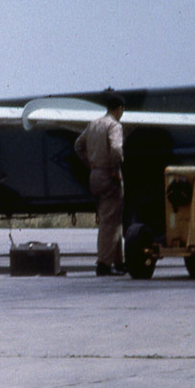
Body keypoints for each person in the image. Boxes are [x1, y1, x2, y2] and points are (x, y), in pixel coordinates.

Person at [75, 92, 126, 276]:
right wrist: (114, 169)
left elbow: (78, 145)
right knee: (109, 221)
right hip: (109, 175)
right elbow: (115, 149)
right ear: (119, 109)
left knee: (113, 219)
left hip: (95, 175)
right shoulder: (114, 125)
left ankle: (119, 262)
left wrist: (90, 162)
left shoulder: (94, 124)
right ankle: (104, 264)